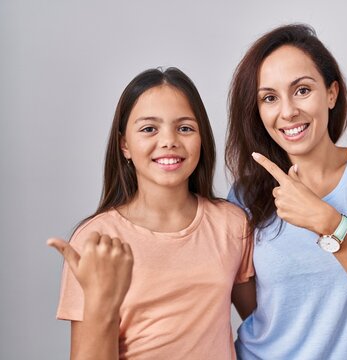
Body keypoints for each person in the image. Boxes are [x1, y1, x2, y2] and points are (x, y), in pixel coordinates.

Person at [225, 24, 347, 359]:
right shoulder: (245, 197)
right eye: (269, 98)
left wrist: (327, 221)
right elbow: (262, 314)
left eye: (302, 90)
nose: (288, 111)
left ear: (331, 93)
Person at [48, 67, 256, 359]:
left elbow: (266, 326)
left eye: (185, 128)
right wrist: (101, 304)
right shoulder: (98, 240)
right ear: (124, 145)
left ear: (202, 138)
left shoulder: (231, 224)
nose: (169, 140)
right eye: (149, 129)